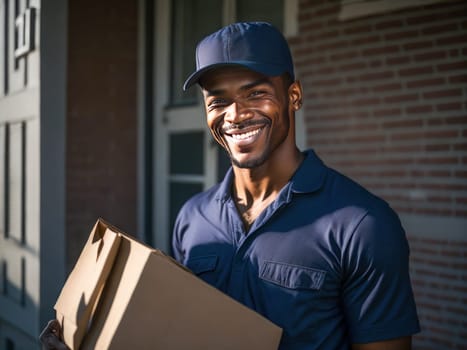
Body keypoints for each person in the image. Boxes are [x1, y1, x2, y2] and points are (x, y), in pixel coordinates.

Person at [41, 21, 420, 349]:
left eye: (255, 93)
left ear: (294, 96)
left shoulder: (363, 225)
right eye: (218, 101)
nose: (235, 115)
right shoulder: (193, 217)